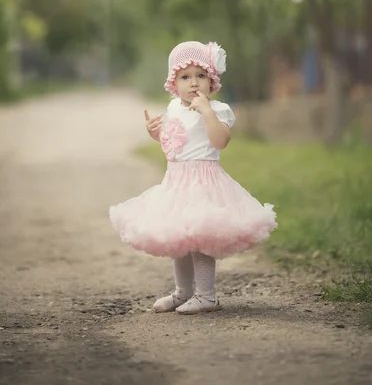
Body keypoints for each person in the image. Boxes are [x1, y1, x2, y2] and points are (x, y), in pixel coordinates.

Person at [109, 41, 277, 315]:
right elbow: (176, 145)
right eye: (185, 77)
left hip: (204, 183)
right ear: (174, 83)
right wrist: (156, 134)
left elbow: (220, 141)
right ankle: (183, 292)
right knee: (180, 239)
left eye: (201, 75)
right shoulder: (174, 108)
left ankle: (206, 295)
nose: (194, 83)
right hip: (176, 184)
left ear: (212, 81)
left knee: (201, 236)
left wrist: (206, 111)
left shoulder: (217, 110)